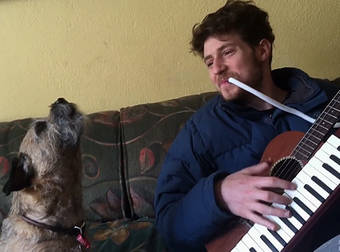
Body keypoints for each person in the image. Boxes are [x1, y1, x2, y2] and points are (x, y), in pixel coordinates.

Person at [154, 0, 340, 251]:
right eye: (209, 62)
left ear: (262, 51)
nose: (217, 69)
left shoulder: (326, 97)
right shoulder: (199, 132)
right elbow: (168, 227)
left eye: (227, 53)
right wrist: (219, 196)